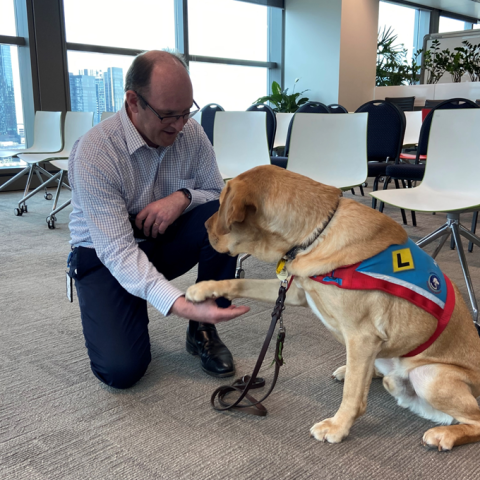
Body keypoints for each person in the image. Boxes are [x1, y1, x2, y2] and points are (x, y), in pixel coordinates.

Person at [67, 50, 249, 389]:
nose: (180, 125)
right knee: (121, 371)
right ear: (134, 102)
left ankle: (203, 330)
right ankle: (136, 302)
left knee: (226, 217)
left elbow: (216, 190)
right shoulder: (96, 151)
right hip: (104, 256)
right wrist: (180, 304)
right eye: (169, 115)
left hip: (161, 239)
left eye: (186, 111)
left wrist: (181, 198)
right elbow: (119, 253)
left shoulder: (190, 133)